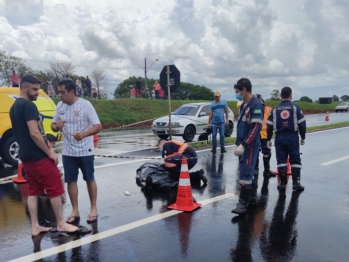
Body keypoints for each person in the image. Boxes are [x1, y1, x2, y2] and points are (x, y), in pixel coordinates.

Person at [9, 75, 78, 236]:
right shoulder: (28, 106)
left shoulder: (14, 107)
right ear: (24, 88)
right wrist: (49, 153)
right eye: (34, 89)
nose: (37, 93)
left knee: (33, 190)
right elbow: (34, 133)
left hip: (25, 156)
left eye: (38, 89)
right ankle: (61, 223)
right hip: (37, 156)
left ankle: (35, 226)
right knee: (55, 187)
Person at [51, 80, 102, 224]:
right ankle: (75, 210)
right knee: (70, 180)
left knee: (89, 178)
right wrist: (56, 126)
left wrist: (84, 134)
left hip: (85, 150)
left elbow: (98, 126)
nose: (60, 95)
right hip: (68, 151)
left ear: (72, 92)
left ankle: (93, 209)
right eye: (59, 92)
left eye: (63, 92)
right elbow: (53, 125)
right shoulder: (60, 106)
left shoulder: (85, 105)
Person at [231, 78, 263, 215]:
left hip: (250, 145)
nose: (237, 94)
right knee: (247, 172)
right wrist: (237, 143)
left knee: (245, 172)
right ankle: (252, 198)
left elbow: (256, 127)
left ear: (244, 90)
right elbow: (241, 126)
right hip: (243, 144)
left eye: (238, 92)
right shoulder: (245, 105)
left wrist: (244, 145)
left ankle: (242, 204)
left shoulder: (256, 104)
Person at [267, 86, 306, 192]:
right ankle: (296, 184)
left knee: (281, 160)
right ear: (291, 95)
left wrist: (269, 139)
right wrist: (303, 137)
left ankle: (283, 183)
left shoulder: (275, 109)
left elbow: (269, 125)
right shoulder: (296, 108)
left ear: (280, 96)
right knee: (295, 160)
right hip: (292, 137)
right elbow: (302, 124)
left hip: (279, 137)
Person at [254, 94, 277, 178]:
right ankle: (255, 170)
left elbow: (274, 120)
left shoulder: (268, 109)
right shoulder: (252, 109)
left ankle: (267, 170)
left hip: (266, 135)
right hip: (256, 135)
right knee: (255, 152)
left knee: (267, 153)